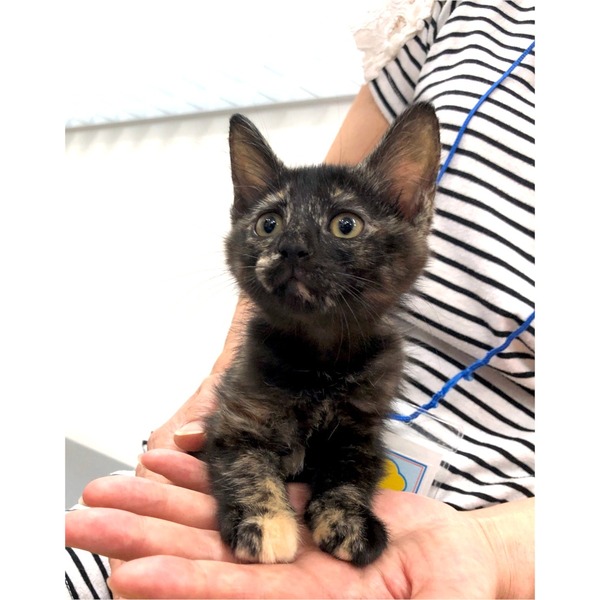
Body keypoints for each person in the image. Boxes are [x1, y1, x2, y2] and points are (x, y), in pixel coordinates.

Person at [65, 1, 535, 598]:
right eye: (268, 224)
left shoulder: (382, 361)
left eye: (344, 226)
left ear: (410, 209)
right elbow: (237, 437)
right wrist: (224, 389)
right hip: (230, 480)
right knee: (95, 558)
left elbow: (356, 449)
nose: (291, 246)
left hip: (488, 529)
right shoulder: (461, 10)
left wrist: (491, 547)